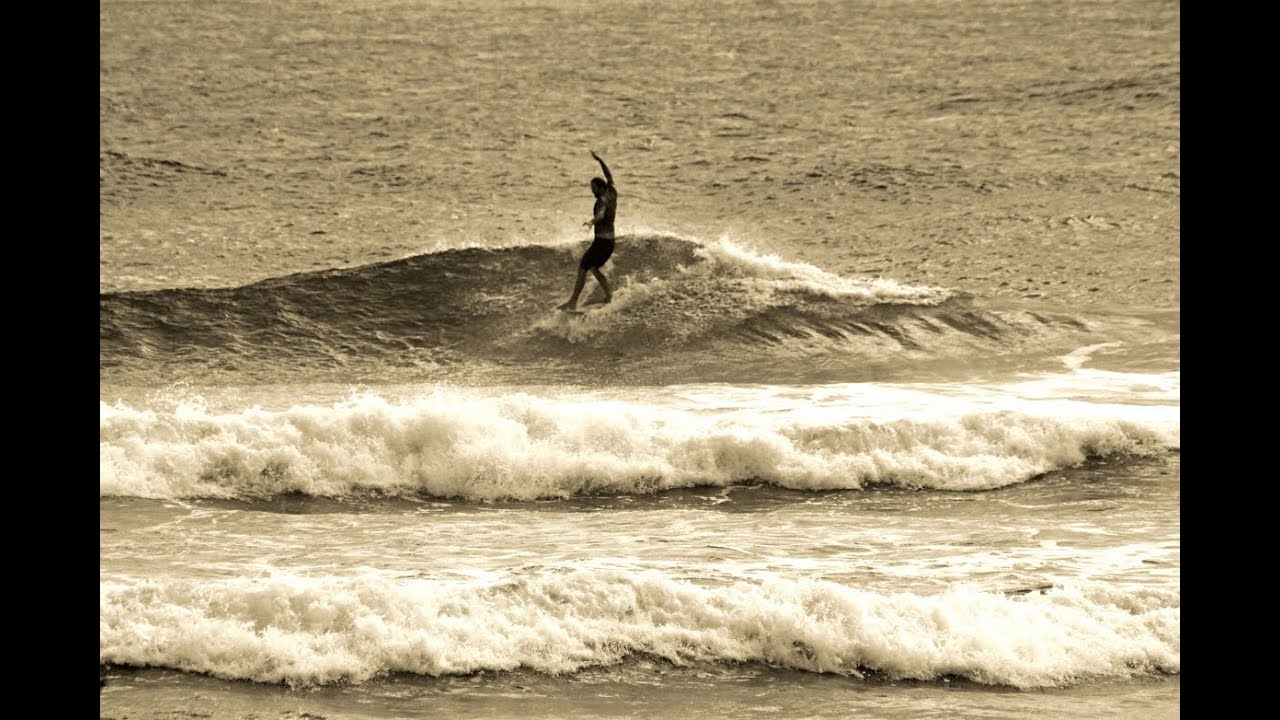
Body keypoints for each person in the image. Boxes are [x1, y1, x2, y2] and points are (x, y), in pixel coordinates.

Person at [559, 150, 617, 310]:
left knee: (583, 267)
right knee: (593, 268)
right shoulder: (612, 192)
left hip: (601, 242)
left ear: (599, 188)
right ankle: (609, 295)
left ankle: (572, 302)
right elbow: (609, 176)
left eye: (593, 188)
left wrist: (592, 221)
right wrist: (600, 161)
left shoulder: (601, 200)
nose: (592, 191)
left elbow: (601, 213)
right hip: (610, 242)